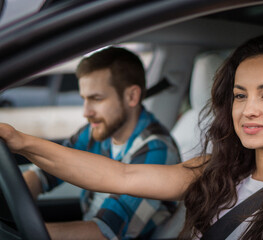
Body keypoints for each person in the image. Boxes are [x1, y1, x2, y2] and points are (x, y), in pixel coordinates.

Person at [0, 33, 263, 239]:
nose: (248, 110)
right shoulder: (216, 169)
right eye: (240, 94)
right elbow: (119, 175)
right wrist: (21, 141)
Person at [21, 47, 181, 240]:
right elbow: (47, 170)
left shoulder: (156, 150)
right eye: (84, 99)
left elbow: (106, 232)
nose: (86, 112)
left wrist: (25, 233)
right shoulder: (96, 131)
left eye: (96, 98)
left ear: (132, 96)